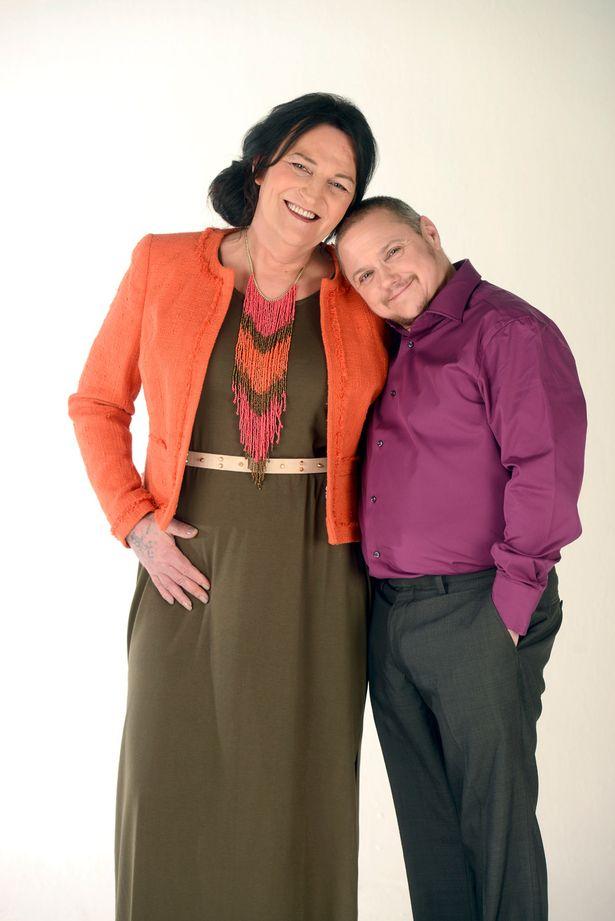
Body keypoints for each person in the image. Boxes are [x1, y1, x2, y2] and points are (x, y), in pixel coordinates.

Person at [67, 93, 389, 921]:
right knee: (169, 777)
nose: (314, 192)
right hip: (186, 564)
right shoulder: (162, 262)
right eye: (301, 166)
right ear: (260, 166)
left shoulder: (362, 289)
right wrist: (136, 523)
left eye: (340, 183)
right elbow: (97, 403)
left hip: (319, 571)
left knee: (300, 791)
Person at [335, 196, 587, 921]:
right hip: (392, 616)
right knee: (431, 834)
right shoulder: (396, 343)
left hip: (477, 607)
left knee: (493, 827)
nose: (384, 279)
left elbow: (542, 471)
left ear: (429, 233)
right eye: (362, 275)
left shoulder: (505, 330)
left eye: (391, 252)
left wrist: (505, 614)